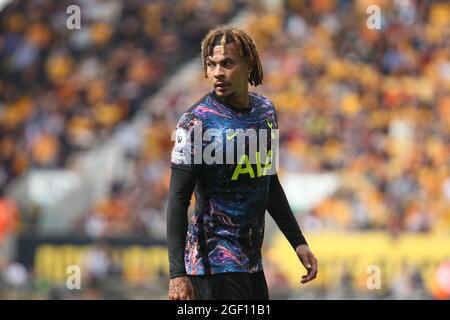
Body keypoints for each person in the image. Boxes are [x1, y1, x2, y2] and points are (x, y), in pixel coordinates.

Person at [167, 27, 317, 300]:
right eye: (211, 65)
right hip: (211, 262)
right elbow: (178, 198)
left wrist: (298, 241)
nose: (217, 73)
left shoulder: (265, 112)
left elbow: (268, 182)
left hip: (250, 261)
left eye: (227, 63)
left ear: (248, 64)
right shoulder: (196, 122)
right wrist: (177, 273)